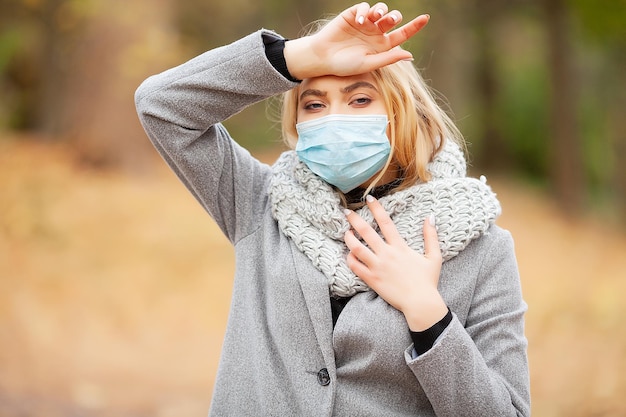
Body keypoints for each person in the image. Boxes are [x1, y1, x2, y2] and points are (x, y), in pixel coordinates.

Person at [135, 2, 530, 416]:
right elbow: (161, 105)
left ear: (402, 113)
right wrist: (297, 58)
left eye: (360, 99)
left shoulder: (482, 247)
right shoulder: (259, 202)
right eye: (314, 104)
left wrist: (427, 311)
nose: (334, 118)